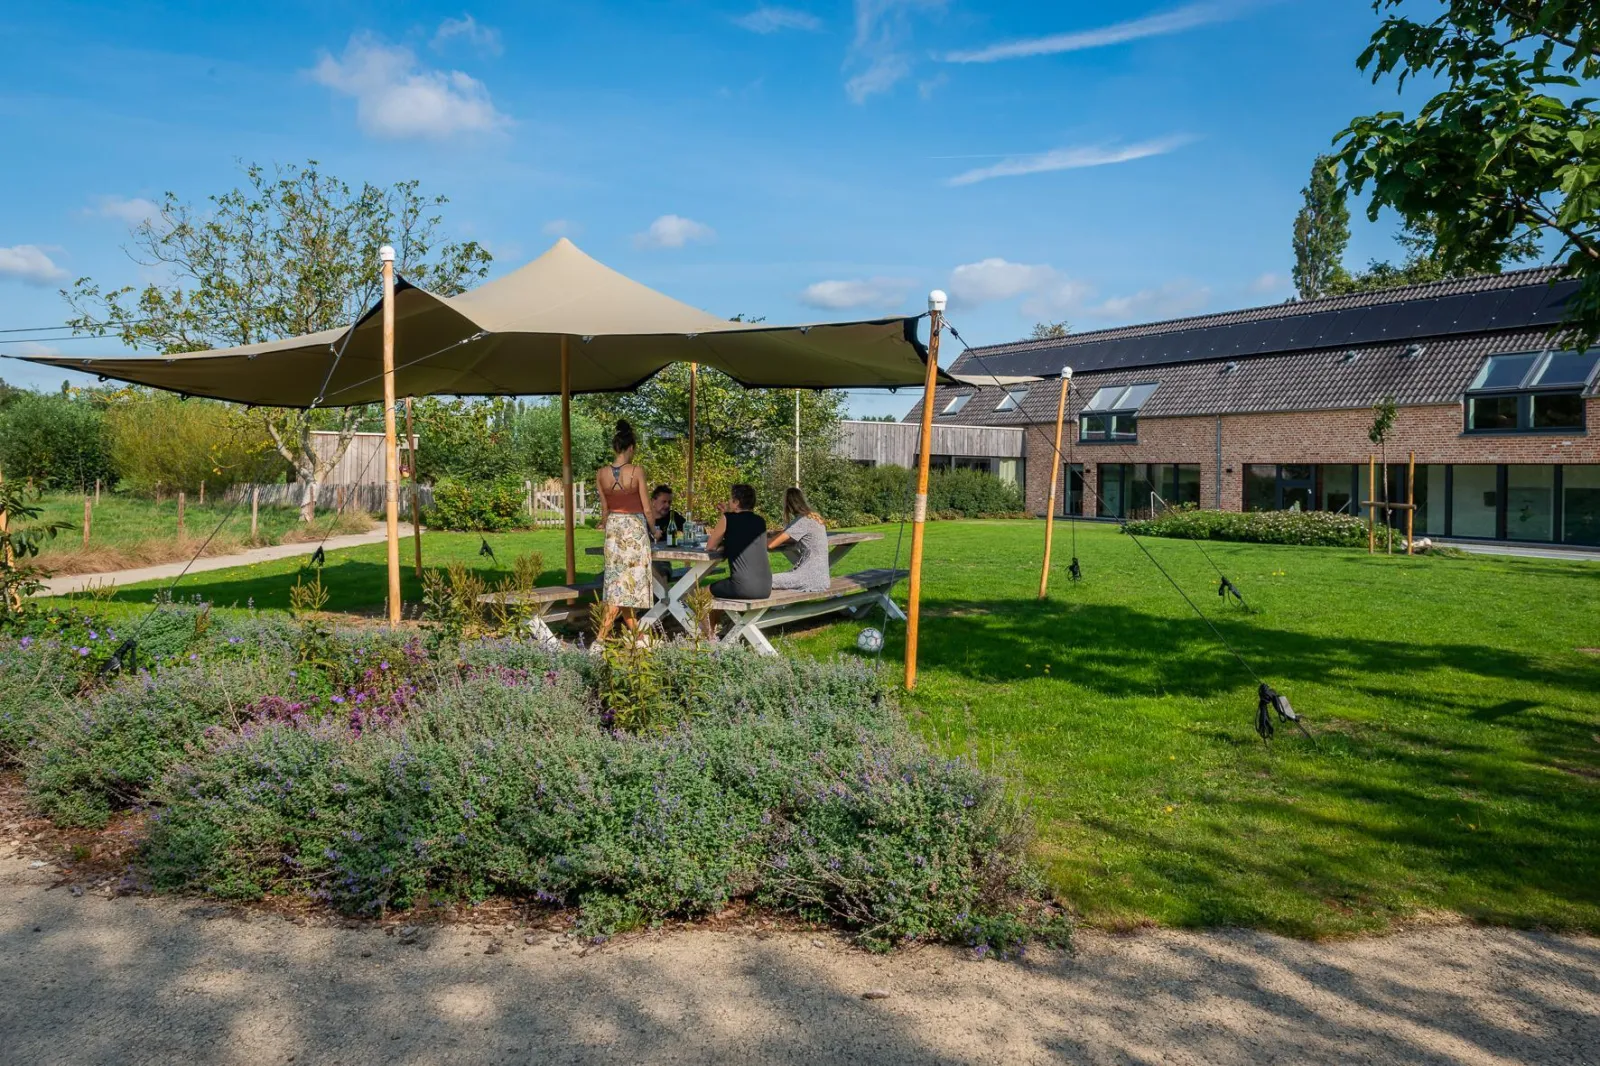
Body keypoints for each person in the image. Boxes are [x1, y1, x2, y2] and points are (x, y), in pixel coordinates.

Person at [595, 420, 653, 643]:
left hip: (614, 528)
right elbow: (647, 507)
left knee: (617, 582)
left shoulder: (601, 473)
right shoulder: (637, 471)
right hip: (634, 528)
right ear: (631, 448)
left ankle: (638, 635)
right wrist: (654, 530)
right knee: (625, 585)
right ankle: (600, 639)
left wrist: (604, 523)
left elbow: (605, 508)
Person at [705, 483, 772, 603]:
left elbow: (710, 546)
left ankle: (692, 615)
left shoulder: (728, 519)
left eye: (730, 499)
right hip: (765, 588)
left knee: (703, 592)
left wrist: (725, 515)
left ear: (736, 502)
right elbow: (740, 536)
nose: (728, 501)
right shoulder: (760, 521)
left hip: (742, 587)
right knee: (718, 594)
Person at [767, 487, 830, 592]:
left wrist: (754, 540)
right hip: (822, 577)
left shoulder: (802, 521)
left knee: (762, 581)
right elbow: (788, 533)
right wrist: (772, 533)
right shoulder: (813, 518)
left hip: (809, 578)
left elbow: (770, 544)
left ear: (789, 504)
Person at [649, 484, 687, 586]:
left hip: (662, 562)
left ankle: (664, 595)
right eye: (664, 502)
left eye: (669, 502)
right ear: (653, 501)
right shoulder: (642, 517)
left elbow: (691, 530)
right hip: (643, 560)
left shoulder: (672, 516)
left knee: (660, 571)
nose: (667, 505)